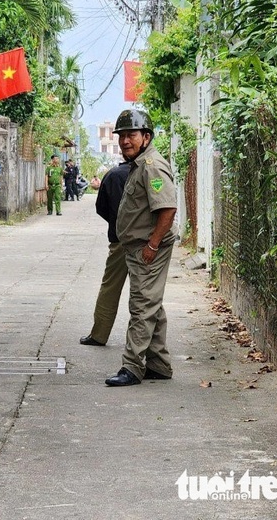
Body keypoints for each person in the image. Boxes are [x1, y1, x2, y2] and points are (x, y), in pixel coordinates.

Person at [105, 109, 178, 387]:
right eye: (122, 136)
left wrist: (152, 245)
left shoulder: (151, 167)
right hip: (138, 247)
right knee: (152, 304)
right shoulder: (140, 164)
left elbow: (168, 209)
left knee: (142, 305)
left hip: (149, 248)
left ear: (146, 137)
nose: (125, 141)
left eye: (131, 135)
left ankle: (132, 367)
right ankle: (158, 365)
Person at [79, 161, 130, 346]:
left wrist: (116, 222)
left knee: (110, 288)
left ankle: (99, 334)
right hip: (145, 242)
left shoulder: (113, 174)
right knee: (146, 293)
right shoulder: (149, 172)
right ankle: (150, 343)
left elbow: (101, 207)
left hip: (119, 240)